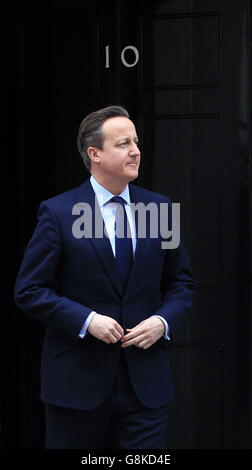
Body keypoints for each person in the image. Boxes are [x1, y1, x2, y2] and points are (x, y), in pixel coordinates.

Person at [14, 105, 195, 449]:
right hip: (76, 387)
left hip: (145, 388)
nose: (136, 151)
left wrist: (162, 321)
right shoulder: (59, 212)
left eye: (136, 142)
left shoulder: (159, 209)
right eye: (123, 143)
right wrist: (87, 319)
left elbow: (181, 284)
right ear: (94, 154)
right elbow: (30, 290)